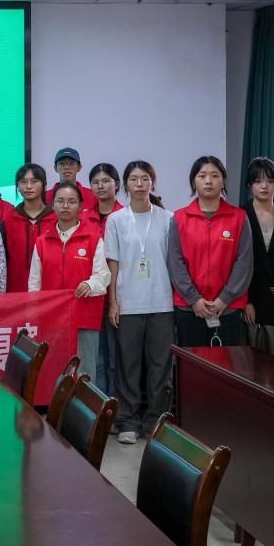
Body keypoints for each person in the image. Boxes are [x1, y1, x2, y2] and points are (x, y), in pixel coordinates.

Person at [105, 160, 173, 445]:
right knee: (128, 365)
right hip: (129, 302)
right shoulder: (116, 220)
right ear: (126, 185)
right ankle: (128, 421)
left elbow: (173, 261)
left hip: (162, 303)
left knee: (160, 366)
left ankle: (156, 421)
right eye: (134, 179)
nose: (140, 184)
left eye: (145, 178)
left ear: (152, 183)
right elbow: (112, 263)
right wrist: (113, 302)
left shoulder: (168, 218)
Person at [168, 156, 253, 347]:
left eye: (215, 176)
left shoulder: (239, 217)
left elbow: (244, 262)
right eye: (202, 176)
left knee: (226, 362)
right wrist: (194, 299)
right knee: (191, 362)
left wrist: (225, 298)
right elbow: (175, 262)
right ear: (193, 181)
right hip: (189, 307)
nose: (208, 181)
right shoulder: (179, 218)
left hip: (228, 308)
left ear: (223, 181)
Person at [30, 182, 110, 374]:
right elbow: (34, 284)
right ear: (53, 205)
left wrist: (90, 284)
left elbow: (103, 276)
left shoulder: (93, 239)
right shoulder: (42, 242)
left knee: (84, 373)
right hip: (51, 320)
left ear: (80, 206)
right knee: (52, 371)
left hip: (84, 318)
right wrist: (35, 314)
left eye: (72, 201)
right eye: (60, 201)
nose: (65, 206)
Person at [242, 157, 274, 354]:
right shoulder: (239, 216)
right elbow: (233, 263)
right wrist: (245, 300)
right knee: (250, 358)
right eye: (258, 181)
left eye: (270, 181)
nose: (264, 186)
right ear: (249, 184)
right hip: (251, 296)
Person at [87, 162, 123, 393]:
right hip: (91, 299)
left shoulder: (125, 216)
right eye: (95, 182)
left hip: (119, 299)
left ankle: (116, 405)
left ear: (117, 184)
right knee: (96, 359)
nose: (100, 186)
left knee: (116, 359)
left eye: (106, 181)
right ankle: (98, 405)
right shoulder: (83, 217)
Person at [0, 164, 56, 294]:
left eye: (34, 181)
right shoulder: (8, 219)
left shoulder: (56, 218)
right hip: (15, 290)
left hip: (49, 290)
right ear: (18, 186)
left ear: (44, 184)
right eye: (23, 182)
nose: (28, 186)